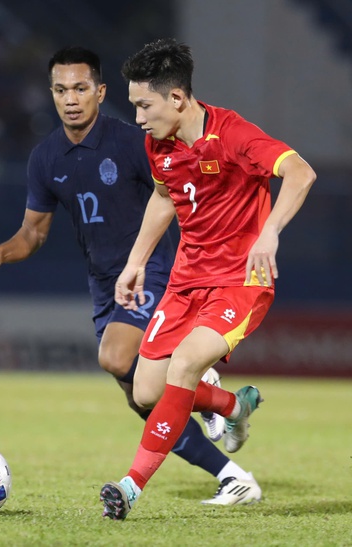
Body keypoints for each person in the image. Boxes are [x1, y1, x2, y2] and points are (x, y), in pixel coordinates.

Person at [0, 46, 261, 505]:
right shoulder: (46, 158)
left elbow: (174, 195)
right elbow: (33, 233)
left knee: (113, 356)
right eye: (61, 90)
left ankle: (206, 395)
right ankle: (232, 468)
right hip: (103, 284)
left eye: (81, 88)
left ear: (100, 91)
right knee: (143, 401)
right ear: (51, 94)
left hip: (154, 273)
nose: (71, 98)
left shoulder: (134, 141)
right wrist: (1, 253)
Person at [99, 38, 316, 519]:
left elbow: (300, 173)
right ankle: (233, 407)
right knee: (146, 391)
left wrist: (270, 233)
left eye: (143, 104)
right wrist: (136, 262)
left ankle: (130, 487)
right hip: (185, 281)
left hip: (241, 279)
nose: (137, 117)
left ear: (176, 97)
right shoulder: (158, 144)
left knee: (185, 366)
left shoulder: (234, 134)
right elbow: (163, 198)